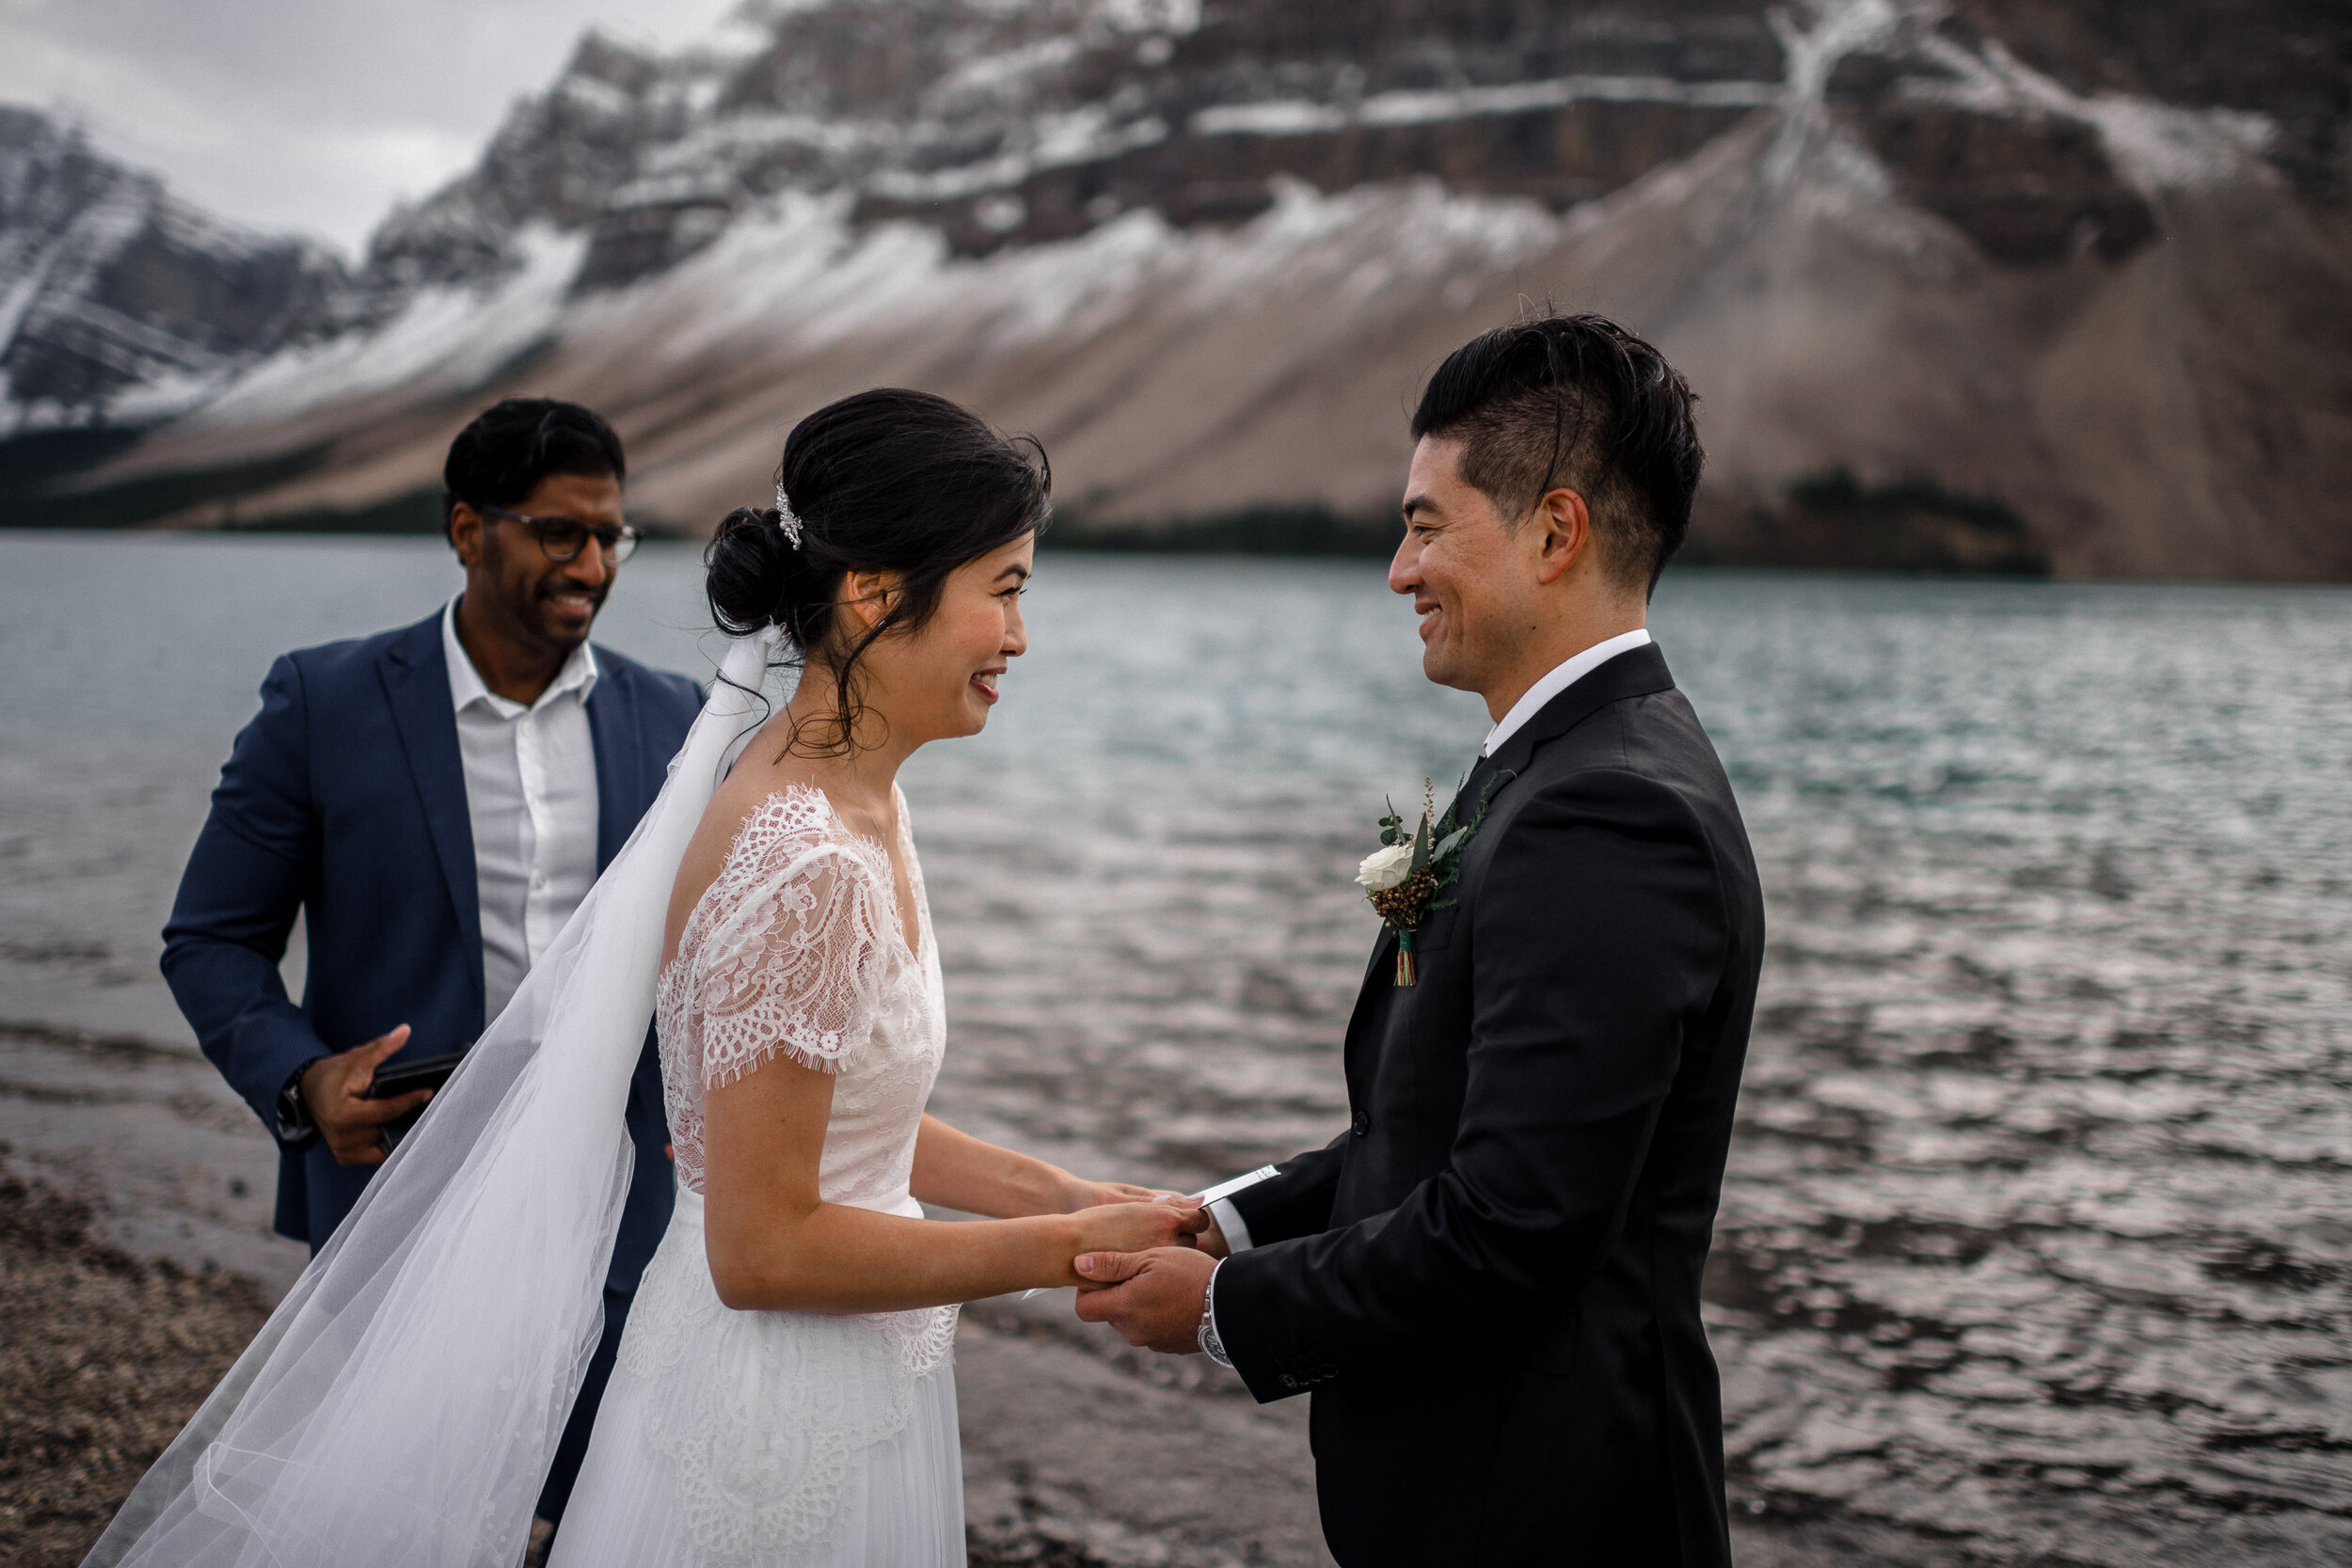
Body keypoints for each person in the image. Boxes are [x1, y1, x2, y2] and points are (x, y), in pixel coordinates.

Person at [88, 388, 1201, 1568]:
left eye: (608, 535)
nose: (1021, 637)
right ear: (875, 593)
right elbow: (766, 1250)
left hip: (758, 1314)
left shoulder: (808, 777)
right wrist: (1071, 1247)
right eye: (1009, 589)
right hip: (747, 1370)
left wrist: (1061, 1191)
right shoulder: (808, 852)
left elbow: (838, 1113)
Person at [1071, 315, 1766, 1567]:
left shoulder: (1611, 810)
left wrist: (1227, 1309)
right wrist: (1225, 1219)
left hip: (1551, 1512)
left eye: (1427, 524)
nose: (1398, 569)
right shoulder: (1559, 770)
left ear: (1556, 532)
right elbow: (1440, 1124)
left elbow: (1512, 1220)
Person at [156, 397, 702, 1526]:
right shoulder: (322, 701)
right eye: (562, 532)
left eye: (613, 536)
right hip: (396, 1192)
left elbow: (708, 962)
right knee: (406, 1513)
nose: (594, 564)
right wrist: (304, 1081)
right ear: (468, 529)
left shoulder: (677, 719)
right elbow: (210, 938)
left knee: (598, 1503)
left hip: (621, 1194)